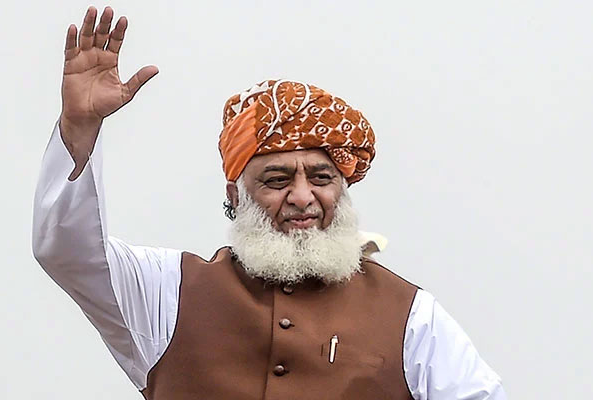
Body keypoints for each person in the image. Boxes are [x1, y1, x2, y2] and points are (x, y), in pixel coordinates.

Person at [32, 6, 506, 400]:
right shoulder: (167, 294)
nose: (303, 198)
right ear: (235, 196)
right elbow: (67, 252)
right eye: (277, 179)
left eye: (322, 177)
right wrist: (79, 127)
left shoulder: (412, 318)